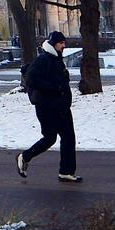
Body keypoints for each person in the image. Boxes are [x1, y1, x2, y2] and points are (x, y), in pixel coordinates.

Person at [17, 31, 81, 182]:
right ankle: (24, 157)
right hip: (47, 107)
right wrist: (54, 88)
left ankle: (66, 172)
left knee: (69, 138)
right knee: (50, 138)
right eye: (61, 43)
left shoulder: (56, 59)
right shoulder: (44, 59)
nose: (64, 46)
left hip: (61, 107)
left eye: (64, 43)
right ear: (53, 44)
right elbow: (31, 79)